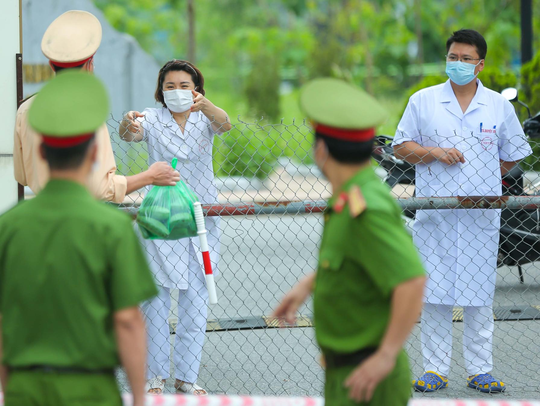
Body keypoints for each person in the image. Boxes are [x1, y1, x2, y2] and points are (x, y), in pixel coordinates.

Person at [0, 71, 158, 406]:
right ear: (92, 155)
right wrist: (140, 398)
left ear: (40, 154)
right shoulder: (110, 228)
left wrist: (9, 386)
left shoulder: (8, 227)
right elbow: (128, 320)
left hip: (25, 387)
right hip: (91, 389)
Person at [393, 29, 532, 393]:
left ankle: (479, 370)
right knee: (434, 293)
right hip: (435, 214)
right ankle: (434, 370)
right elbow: (401, 147)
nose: (457, 63)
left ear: (480, 64)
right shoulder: (422, 101)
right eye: (452, 57)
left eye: (466, 59)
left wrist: (484, 175)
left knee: (479, 295)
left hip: (480, 217)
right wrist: (434, 153)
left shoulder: (499, 107)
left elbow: (515, 152)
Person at [272, 78, 426, 406]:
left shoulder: (366, 207)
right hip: (347, 373)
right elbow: (351, 256)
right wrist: (308, 285)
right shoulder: (347, 198)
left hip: (369, 378)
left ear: (321, 149)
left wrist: (385, 355)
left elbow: (411, 281)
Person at [119, 59, 232, 395]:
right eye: (170, 86)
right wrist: (128, 123)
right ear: (161, 90)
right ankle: (153, 376)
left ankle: (186, 376)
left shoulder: (205, 119)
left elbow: (225, 125)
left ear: (196, 89)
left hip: (200, 217)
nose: (177, 92)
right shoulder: (152, 118)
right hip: (161, 216)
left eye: (185, 85)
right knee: (154, 298)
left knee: (195, 298)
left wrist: (208, 105)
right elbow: (130, 135)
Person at [13, 10, 179, 203]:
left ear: (51, 65)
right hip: (81, 218)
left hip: (41, 215)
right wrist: (149, 176)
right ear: (89, 66)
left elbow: (22, 176)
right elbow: (100, 189)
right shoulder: (88, 111)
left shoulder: (26, 109)